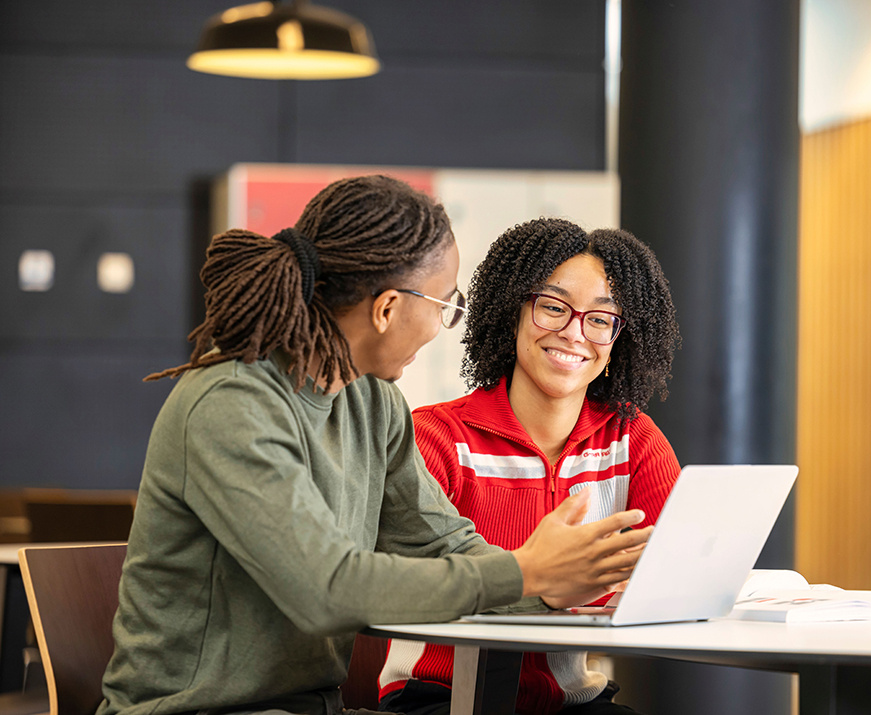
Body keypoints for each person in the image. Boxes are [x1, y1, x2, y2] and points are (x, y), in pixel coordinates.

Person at [97, 177, 653, 715]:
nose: (445, 324)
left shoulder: (372, 402)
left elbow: (444, 545)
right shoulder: (230, 405)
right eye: (444, 305)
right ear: (388, 309)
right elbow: (327, 589)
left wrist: (555, 581)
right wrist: (527, 573)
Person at [378, 218, 682, 715]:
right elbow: (414, 583)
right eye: (553, 307)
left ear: (618, 339)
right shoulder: (435, 436)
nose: (574, 333)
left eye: (600, 319)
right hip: (439, 697)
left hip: (571, 701)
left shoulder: (633, 440)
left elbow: (672, 576)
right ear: (514, 312)